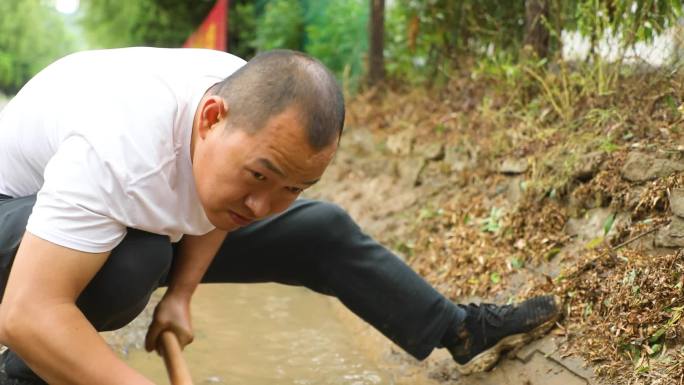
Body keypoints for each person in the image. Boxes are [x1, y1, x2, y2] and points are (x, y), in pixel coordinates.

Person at [0, 47, 559, 385]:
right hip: (19, 219)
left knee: (318, 230)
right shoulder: (119, 145)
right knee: (132, 265)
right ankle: (24, 371)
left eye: (293, 186)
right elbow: (26, 309)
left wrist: (181, 295)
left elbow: (213, 199)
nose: (264, 206)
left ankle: (456, 329)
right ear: (211, 118)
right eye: (261, 175)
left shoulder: (242, 109)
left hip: (136, 201)